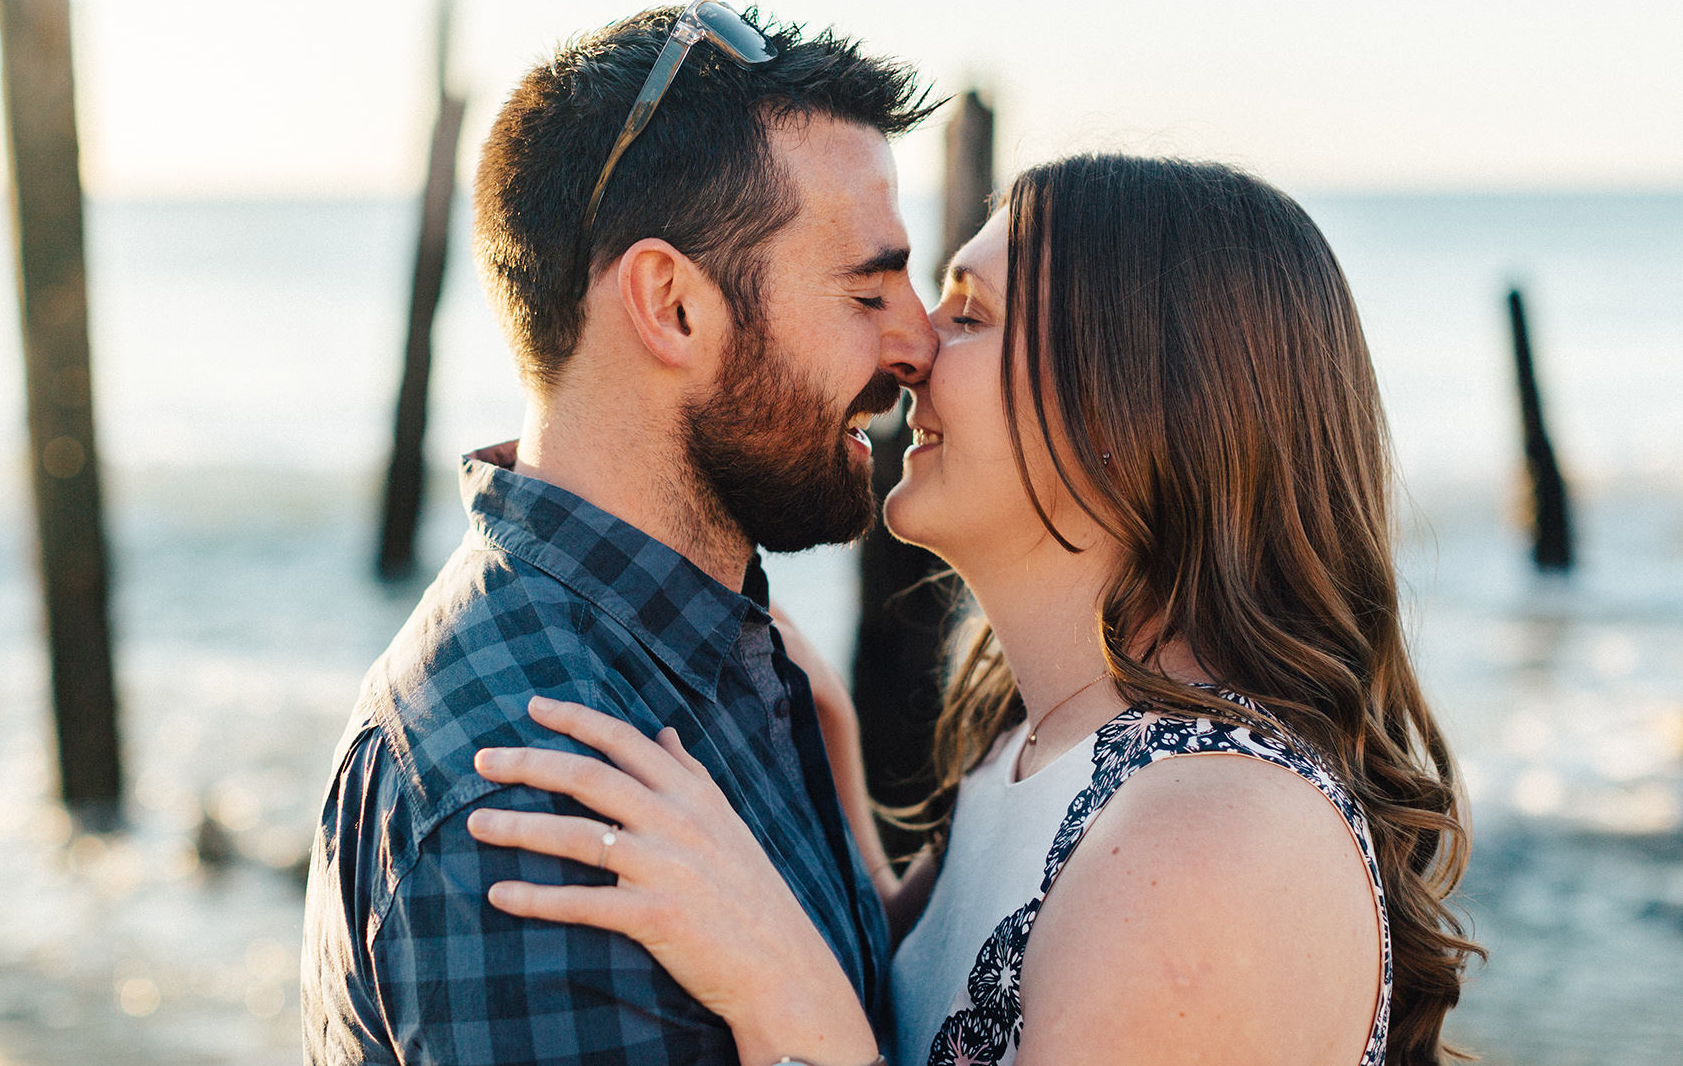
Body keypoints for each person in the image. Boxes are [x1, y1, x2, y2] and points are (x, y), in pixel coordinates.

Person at [465, 154, 1483, 1066]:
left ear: (1127, 409)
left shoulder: (1207, 844)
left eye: (969, 314)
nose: (909, 351)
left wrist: (788, 992)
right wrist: (839, 794)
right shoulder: (1029, 749)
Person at [300, 0, 942, 1065]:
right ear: (673, 305)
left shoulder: (714, 651)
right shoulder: (532, 789)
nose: (917, 339)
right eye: (868, 288)